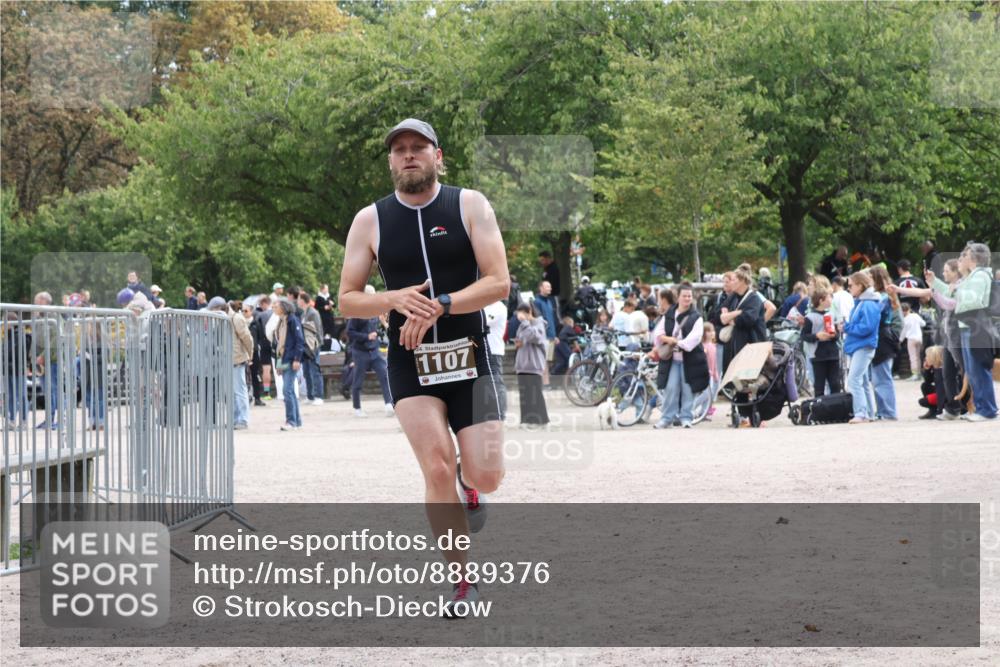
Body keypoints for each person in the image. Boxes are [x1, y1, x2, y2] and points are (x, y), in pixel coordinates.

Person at [337, 118, 508, 617]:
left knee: (489, 473)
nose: (408, 155)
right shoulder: (369, 220)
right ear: (391, 161)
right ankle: (462, 581)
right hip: (410, 362)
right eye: (400, 150)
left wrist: (442, 304)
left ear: (438, 155)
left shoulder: (470, 205)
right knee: (433, 466)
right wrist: (392, 299)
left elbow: (499, 283)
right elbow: (348, 300)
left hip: (470, 352)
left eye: (418, 147)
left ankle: (469, 479)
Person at [890, 259, 966, 419]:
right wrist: (897, 288)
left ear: (955, 272)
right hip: (949, 334)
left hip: (959, 333)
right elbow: (922, 292)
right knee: (947, 371)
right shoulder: (947, 287)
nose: (943, 273)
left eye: (946, 271)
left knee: (964, 370)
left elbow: (949, 304)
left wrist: (934, 291)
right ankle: (953, 408)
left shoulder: (961, 287)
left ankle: (968, 405)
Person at [943, 243, 997, 421]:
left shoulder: (980, 276)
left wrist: (958, 292)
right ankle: (983, 407)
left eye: (965, 255)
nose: (962, 258)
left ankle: (987, 409)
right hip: (968, 326)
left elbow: (975, 300)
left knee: (979, 369)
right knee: (973, 370)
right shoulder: (973, 276)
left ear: (973, 258)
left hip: (977, 327)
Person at [653, 284, 709, 429]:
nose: (687, 298)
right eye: (684, 295)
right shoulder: (670, 314)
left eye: (689, 296)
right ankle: (666, 418)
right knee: (670, 388)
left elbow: (695, 338)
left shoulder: (696, 317)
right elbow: (658, 333)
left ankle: (686, 418)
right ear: (678, 297)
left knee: (687, 389)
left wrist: (678, 342)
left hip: (690, 360)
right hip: (673, 360)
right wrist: (668, 340)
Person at [346, 288, 394, 418]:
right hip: (360, 351)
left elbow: (377, 329)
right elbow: (349, 332)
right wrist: (366, 337)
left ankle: (389, 404)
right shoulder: (356, 312)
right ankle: (357, 408)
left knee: (384, 375)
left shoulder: (376, 310)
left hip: (375, 350)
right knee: (358, 380)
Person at [843, 272, 882, 423]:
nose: (849, 288)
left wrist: (848, 328)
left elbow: (867, 327)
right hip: (860, 346)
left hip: (863, 346)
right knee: (863, 381)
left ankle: (861, 412)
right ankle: (869, 412)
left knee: (854, 379)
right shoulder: (863, 302)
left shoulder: (868, 304)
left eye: (851, 285)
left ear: (860, 285)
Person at [210, 297, 252, 430]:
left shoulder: (236, 319)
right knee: (232, 392)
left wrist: (250, 355)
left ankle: (243, 419)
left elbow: (247, 338)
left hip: (237, 359)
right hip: (227, 359)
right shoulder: (224, 319)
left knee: (239, 391)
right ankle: (235, 419)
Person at [718, 269, 767, 374]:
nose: (731, 282)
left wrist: (730, 318)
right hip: (734, 346)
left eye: (734, 279)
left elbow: (747, 319)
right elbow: (722, 315)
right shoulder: (734, 297)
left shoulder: (754, 298)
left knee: (747, 382)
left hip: (750, 347)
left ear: (742, 281)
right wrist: (737, 313)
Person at [869, 265, 901, 420]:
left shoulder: (882, 296)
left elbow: (875, 313)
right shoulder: (882, 295)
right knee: (878, 377)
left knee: (882, 377)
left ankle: (888, 411)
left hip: (883, 338)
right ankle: (883, 410)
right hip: (882, 336)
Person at [801, 287, 842, 396]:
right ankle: (820, 408)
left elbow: (837, 335)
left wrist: (833, 335)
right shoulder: (809, 317)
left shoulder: (831, 315)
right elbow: (804, 336)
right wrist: (817, 336)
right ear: (821, 300)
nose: (831, 300)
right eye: (829, 297)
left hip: (833, 354)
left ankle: (836, 405)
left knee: (835, 384)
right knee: (819, 385)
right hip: (818, 356)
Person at [514, 303, 548, 426]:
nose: (519, 317)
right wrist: (518, 343)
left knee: (535, 393)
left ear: (529, 312)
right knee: (524, 394)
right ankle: (526, 420)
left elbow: (535, 337)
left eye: (522, 313)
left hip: (534, 364)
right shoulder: (522, 326)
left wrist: (525, 323)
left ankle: (542, 420)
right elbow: (521, 339)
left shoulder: (539, 323)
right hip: (522, 364)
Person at [272, 298, 303, 430]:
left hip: (291, 359)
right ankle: (297, 421)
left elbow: (299, 341)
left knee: (287, 390)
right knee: (289, 390)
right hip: (283, 359)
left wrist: (297, 359)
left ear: (284, 307)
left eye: (276, 305)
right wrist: (279, 365)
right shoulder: (281, 321)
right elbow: (280, 345)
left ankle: (291, 422)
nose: (273, 307)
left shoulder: (292, 320)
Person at [297, 292, 325, 405]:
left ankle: (319, 396)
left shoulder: (313, 313)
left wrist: (315, 345)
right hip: (305, 346)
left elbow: (317, 330)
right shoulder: (303, 313)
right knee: (306, 372)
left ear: (303, 300)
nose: (297, 302)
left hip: (313, 345)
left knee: (315, 370)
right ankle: (310, 396)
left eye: (299, 299)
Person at [483, 299, 509, 419]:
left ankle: (501, 413)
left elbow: (484, 321)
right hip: (483, 349)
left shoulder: (499, 307)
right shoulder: (485, 305)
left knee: (497, 383)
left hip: (494, 350)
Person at [533, 280, 560, 386]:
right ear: (541, 288)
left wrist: (554, 335)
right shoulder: (537, 302)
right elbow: (538, 320)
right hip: (543, 336)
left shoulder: (549, 301)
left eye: (550, 286)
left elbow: (551, 320)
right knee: (543, 360)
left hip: (551, 335)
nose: (550, 288)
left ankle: (546, 383)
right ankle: (545, 384)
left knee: (548, 360)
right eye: (547, 286)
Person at [900, 303, 925, 381]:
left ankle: (915, 374)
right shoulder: (916, 316)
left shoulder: (905, 319)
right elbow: (923, 324)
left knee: (913, 357)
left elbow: (903, 332)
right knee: (918, 357)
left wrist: (900, 340)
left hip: (911, 338)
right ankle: (919, 374)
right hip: (919, 338)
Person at [701, 322, 720, 417]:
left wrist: (716, 374)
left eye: (712, 331)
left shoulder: (713, 346)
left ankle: (704, 412)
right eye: (708, 331)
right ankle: (694, 407)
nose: (711, 333)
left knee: (710, 392)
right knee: (706, 393)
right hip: (705, 373)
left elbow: (715, 362)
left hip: (711, 374)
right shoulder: (703, 346)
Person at [315, 284, 337, 351]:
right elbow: (316, 307)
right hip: (323, 316)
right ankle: (323, 346)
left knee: (331, 330)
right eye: (326, 289)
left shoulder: (329, 296)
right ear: (322, 289)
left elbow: (334, 306)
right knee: (323, 330)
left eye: (327, 289)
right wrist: (324, 308)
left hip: (330, 316)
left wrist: (332, 304)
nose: (327, 290)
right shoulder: (319, 297)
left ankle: (332, 346)